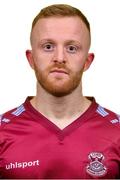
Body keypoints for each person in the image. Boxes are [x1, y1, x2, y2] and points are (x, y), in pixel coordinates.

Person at [0, 4, 120, 179]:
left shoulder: (116, 132)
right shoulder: (3, 131)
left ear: (87, 61)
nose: (60, 58)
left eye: (72, 48)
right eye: (48, 46)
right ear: (31, 58)